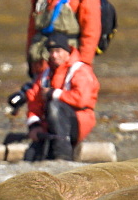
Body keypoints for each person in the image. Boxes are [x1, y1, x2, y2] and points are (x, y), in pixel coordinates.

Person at [22, 33, 99, 161]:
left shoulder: (80, 70)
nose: (54, 55)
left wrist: (54, 94)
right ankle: (50, 147)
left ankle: (62, 154)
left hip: (78, 120)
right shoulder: (45, 74)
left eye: (58, 51)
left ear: (67, 51)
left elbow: (82, 99)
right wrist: (34, 126)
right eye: (51, 52)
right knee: (31, 156)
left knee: (54, 106)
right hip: (50, 124)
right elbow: (33, 100)